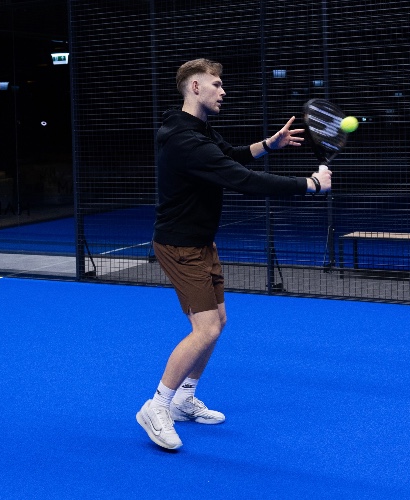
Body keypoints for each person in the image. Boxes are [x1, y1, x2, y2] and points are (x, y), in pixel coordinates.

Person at [136, 58, 331, 450]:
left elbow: (231, 155)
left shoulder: (197, 128)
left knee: (218, 321)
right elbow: (242, 179)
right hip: (179, 245)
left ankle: (184, 398)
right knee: (205, 328)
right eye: (217, 84)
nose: (223, 91)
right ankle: (156, 407)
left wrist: (270, 144)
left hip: (201, 241)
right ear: (195, 87)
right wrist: (309, 184)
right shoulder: (184, 140)